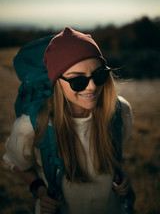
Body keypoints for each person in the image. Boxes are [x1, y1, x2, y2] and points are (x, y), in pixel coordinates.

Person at [3, 27, 134, 214]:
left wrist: (122, 179)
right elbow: (14, 161)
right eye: (78, 81)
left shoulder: (120, 111)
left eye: (99, 75)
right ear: (56, 81)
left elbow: (113, 158)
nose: (92, 86)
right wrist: (40, 191)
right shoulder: (32, 126)